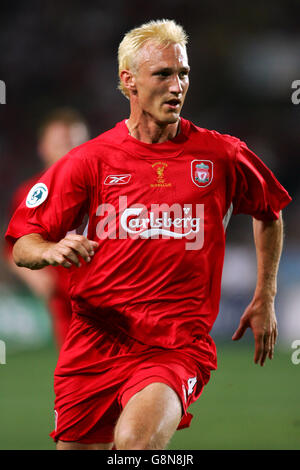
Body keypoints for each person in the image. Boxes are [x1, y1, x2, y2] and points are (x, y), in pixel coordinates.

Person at [5, 19, 291, 450]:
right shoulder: (91, 160)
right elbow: (23, 243)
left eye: (184, 74)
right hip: (95, 343)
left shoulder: (222, 154)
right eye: (163, 74)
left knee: (134, 445)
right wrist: (49, 249)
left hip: (175, 345)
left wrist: (265, 295)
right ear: (129, 81)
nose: (177, 86)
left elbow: (269, 212)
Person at [5, 108, 90, 348]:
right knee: (79, 375)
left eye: (77, 141)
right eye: (62, 142)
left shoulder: (107, 183)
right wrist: (36, 277)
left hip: (111, 293)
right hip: (65, 300)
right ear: (42, 148)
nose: (70, 148)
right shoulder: (31, 193)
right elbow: (13, 247)